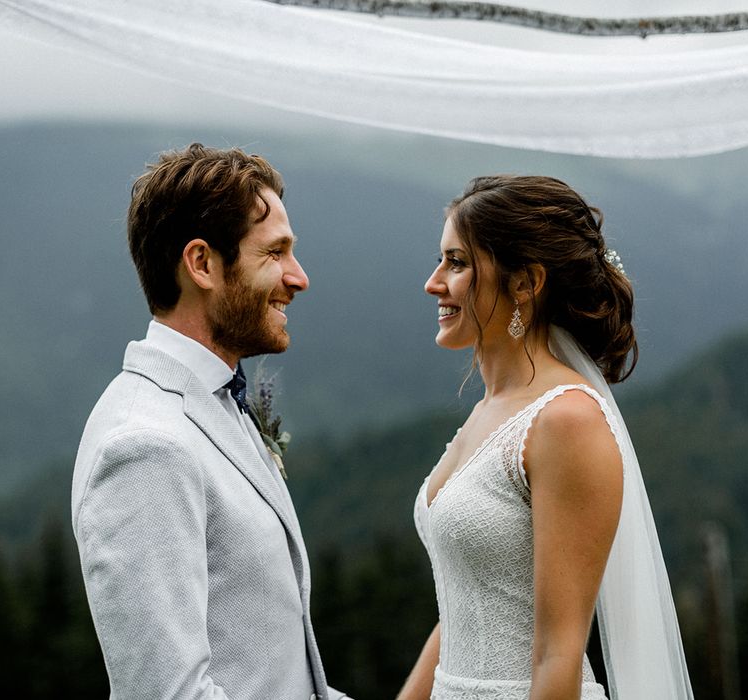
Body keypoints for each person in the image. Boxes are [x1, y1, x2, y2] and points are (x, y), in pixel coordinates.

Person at [398, 176, 693, 700]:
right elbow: (465, 607)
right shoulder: (489, 412)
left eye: (458, 263)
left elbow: (558, 651)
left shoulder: (566, 420)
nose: (433, 281)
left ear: (526, 283)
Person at [72, 143, 349, 700]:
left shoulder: (218, 399)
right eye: (275, 254)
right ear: (201, 264)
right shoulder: (145, 444)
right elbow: (167, 693)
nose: (299, 277)